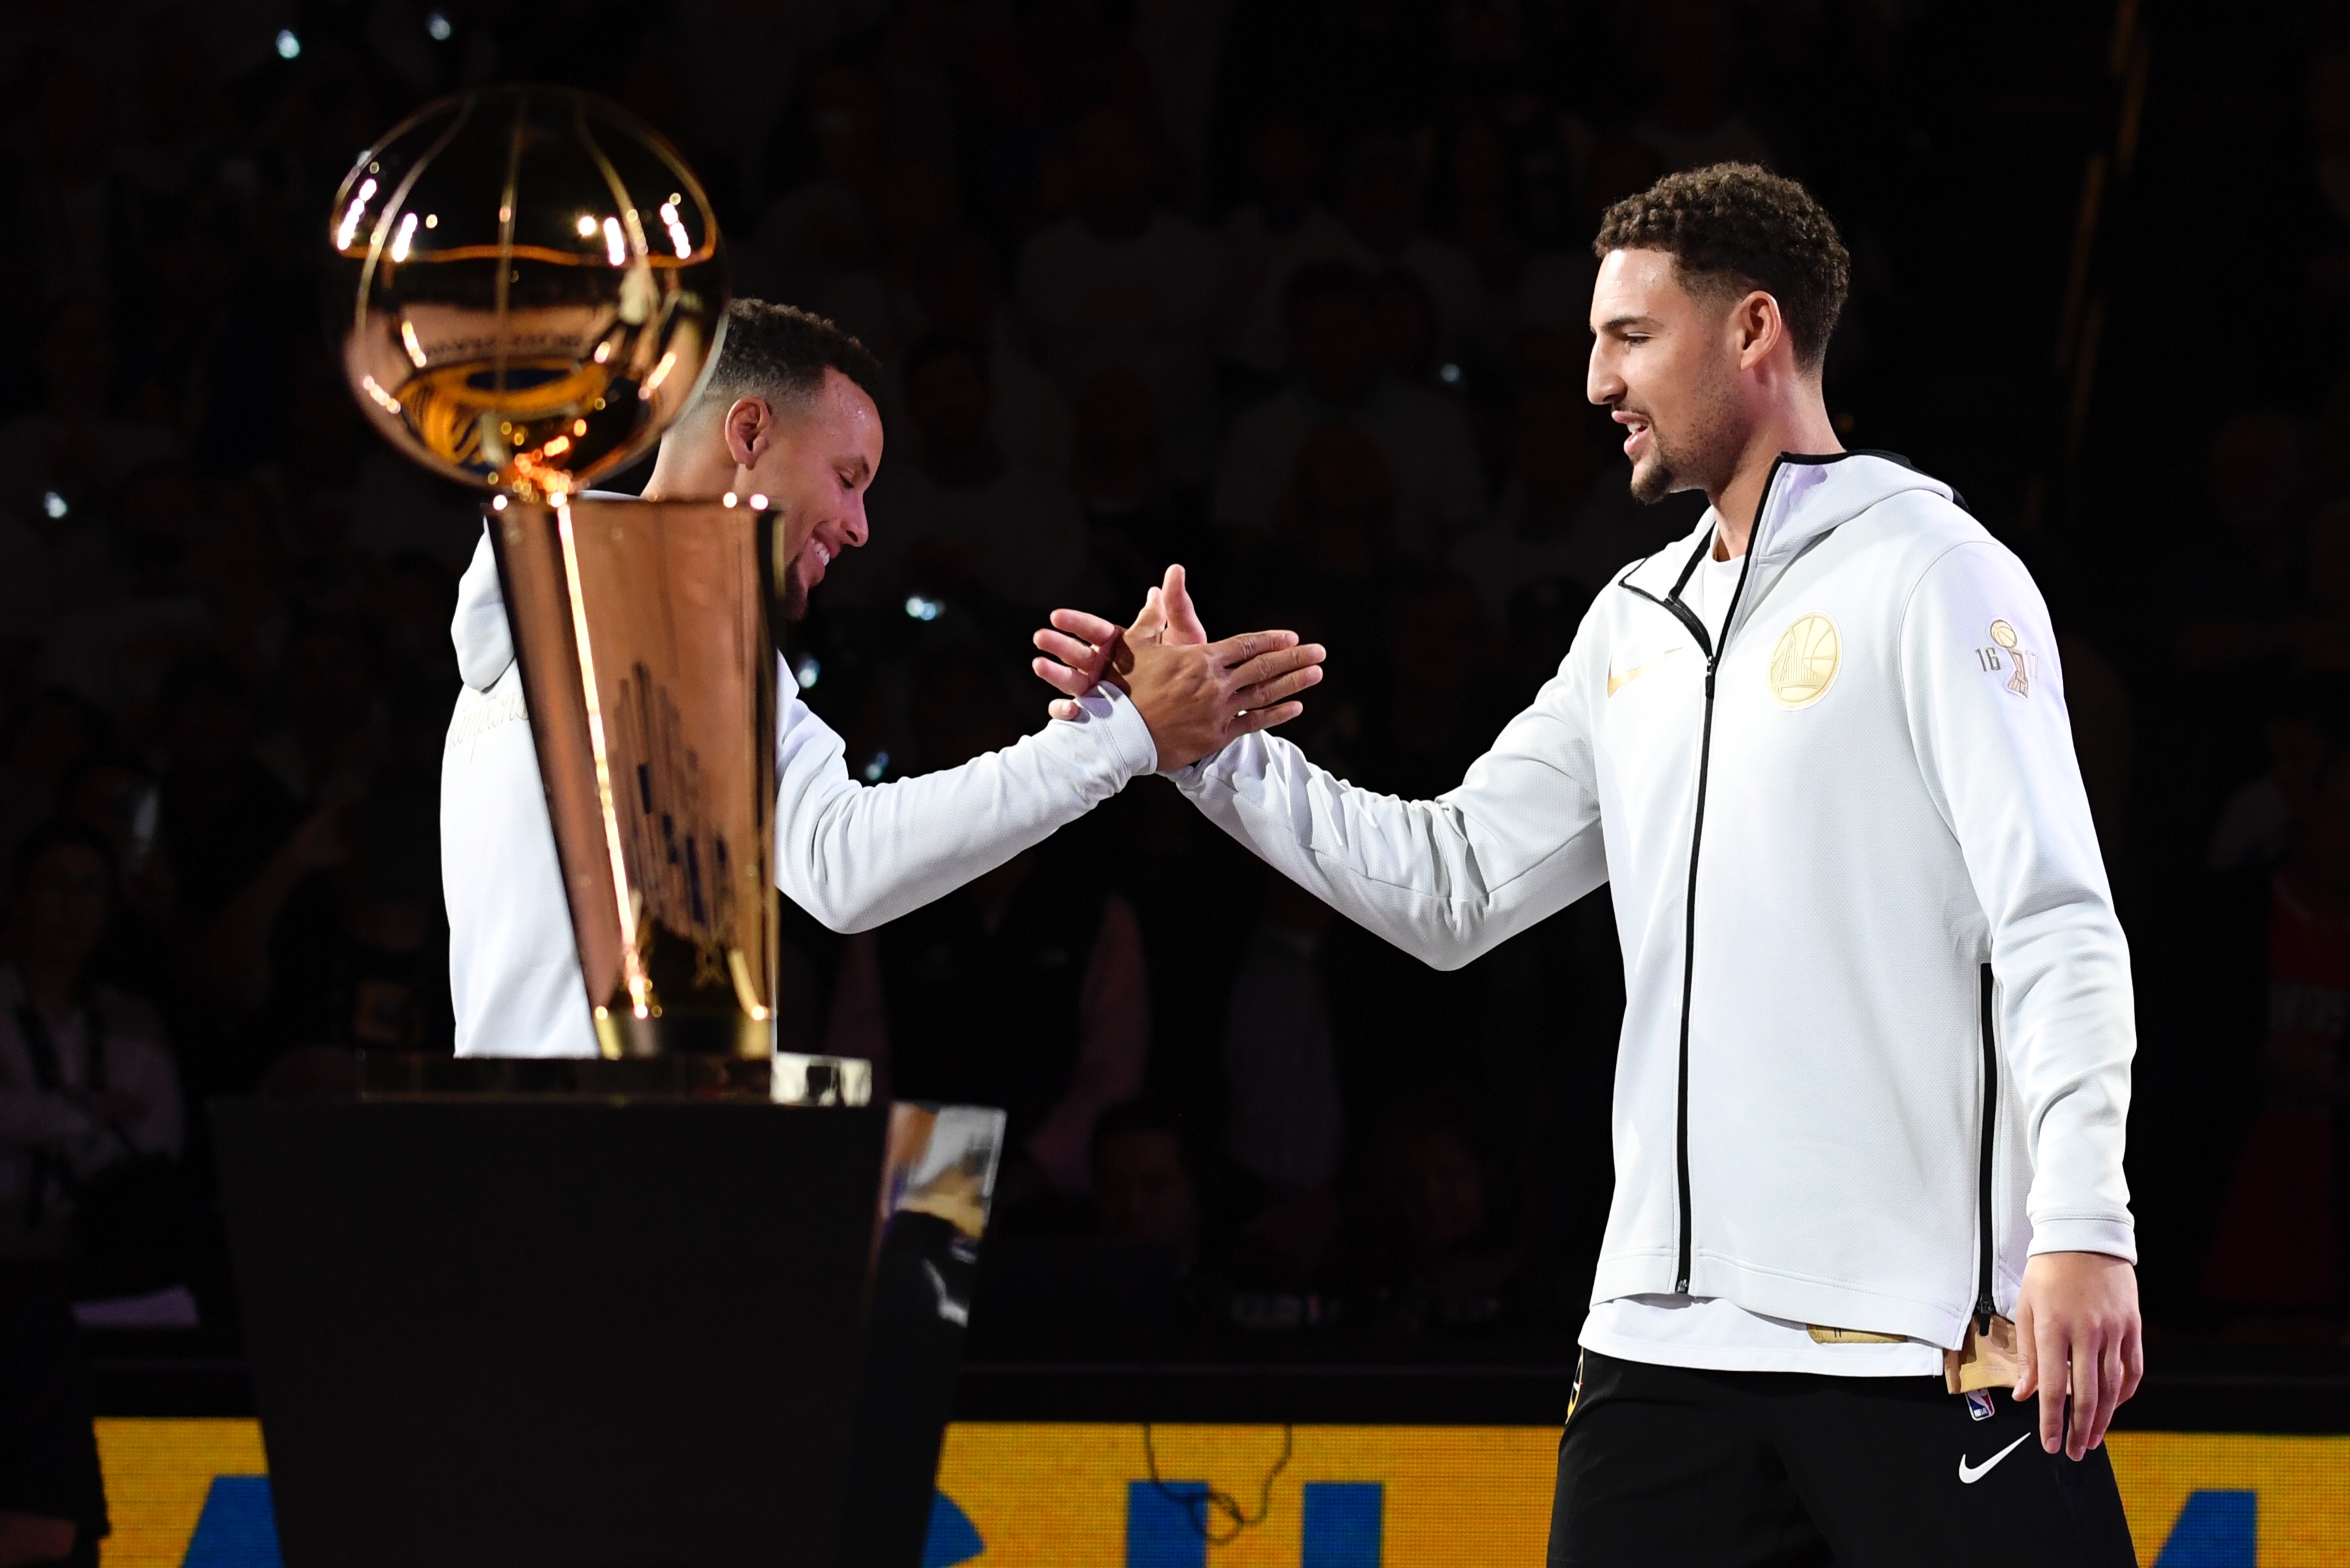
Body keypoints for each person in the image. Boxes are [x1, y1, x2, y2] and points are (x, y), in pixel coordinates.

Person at [1037, 164, 2140, 1564]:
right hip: (1657, 1349)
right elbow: (1452, 886)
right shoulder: (1632, 616)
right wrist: (1205, 754)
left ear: (1751, 332)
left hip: (1916, 1330)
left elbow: (2054, 920)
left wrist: (2084, 1229)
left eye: (1628, 335)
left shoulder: (1932, 569)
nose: (1590, 380)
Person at [443, 301, 1324, 1058]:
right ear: (748, 432)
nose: (861, 527)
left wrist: (1108, 729)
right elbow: (844, 864)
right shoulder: (643, 592)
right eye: (847, 478)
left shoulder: (580, 593)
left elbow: (833, 863)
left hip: (548, 1158)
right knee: (925, 1227)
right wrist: (1121, 736)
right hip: (584, 1169)